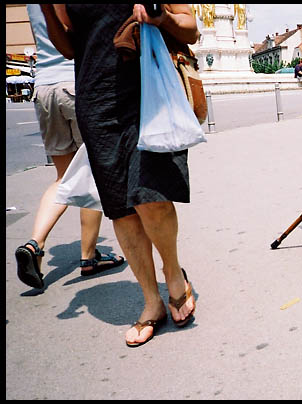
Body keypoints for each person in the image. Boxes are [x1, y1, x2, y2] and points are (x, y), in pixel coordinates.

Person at [41, 4, 198, 347]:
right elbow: (69, 46)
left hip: (147, 91)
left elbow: (190, 28)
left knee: (150, 196)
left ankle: (173, 275)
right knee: (120, 208)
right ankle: (151, 300)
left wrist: (163, 18)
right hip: (95, 101)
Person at [15, 4, 124, 291]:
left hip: (44, 88)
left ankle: (34, 243)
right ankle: (88, 257)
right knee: (93, 173)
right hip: (76, 82)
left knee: (63, 178)